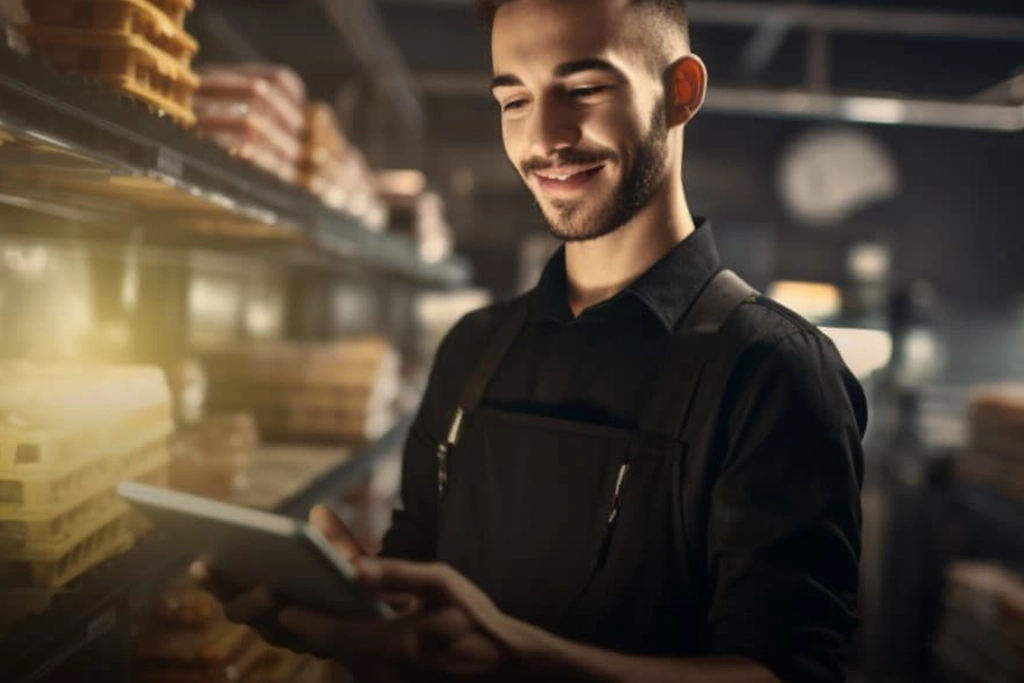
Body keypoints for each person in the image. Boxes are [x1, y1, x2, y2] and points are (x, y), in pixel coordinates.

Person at [194, 0, 867, 681]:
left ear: (679, 93)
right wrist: (356, 601)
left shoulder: (775, 370)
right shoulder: (474, 349)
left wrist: (514, 658)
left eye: (583, 89)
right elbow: (420, 572)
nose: (543, 137)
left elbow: (791, 672)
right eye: (514, 100)